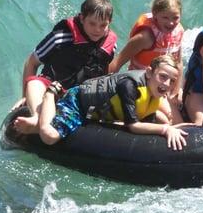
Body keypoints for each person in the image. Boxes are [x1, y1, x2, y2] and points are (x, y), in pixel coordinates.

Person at [13, 0, 117, 134]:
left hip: (80, 95)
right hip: (51, 89)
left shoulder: (110, 45)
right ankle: (37, 118)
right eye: (92, 23)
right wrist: (25, 97)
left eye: (103, 25)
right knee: (34, 83)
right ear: (82, 18)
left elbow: (103, 72)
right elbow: (31, 63)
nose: (97, 30)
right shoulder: (60, 37)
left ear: (110, 22)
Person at [37, 55, 188, 151]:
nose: (167, 84)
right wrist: (165, 130)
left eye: (172, 81)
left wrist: (174, 127)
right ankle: (51, 93)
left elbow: (149, 115)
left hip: (98, 113)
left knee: (162, 118)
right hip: (78, 103)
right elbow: (133, 126)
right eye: (163, 77)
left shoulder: (154, 91)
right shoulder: (129, 86)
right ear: (149, 73)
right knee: (49, 136)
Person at [108, 0, 184, 124]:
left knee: (176, 108)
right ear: (155, 15)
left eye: (175, 17)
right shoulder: (145, 38)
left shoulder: (178, 32)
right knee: (169, 119)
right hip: (143, 85)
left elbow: (178, 63)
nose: (171, 23)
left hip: (164, 83)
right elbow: (117, 63)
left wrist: (175, 91)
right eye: (165, 17)